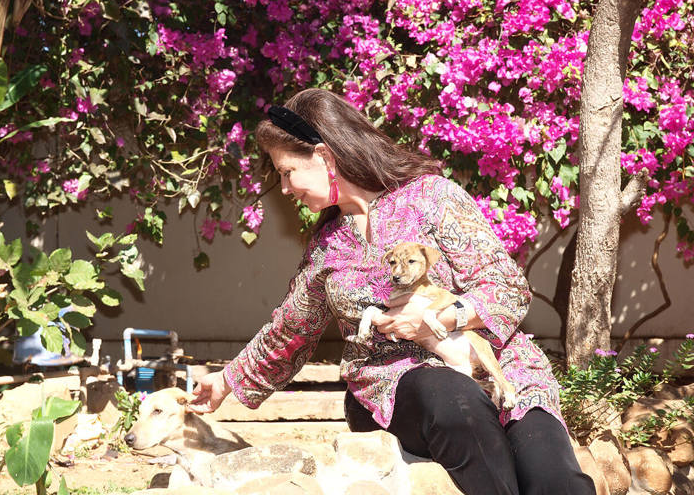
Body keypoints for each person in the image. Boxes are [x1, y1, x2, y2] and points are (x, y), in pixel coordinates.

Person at [189, 88, 595, 495]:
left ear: (325, 157)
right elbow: (290, 330)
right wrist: (225, 381)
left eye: (286, 171)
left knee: (556, 481)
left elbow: (506, 286)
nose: (284, 187)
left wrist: (439, 319)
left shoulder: (432, 197)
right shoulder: (326, 247)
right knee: (455, 404)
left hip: (500, 367)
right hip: (395, 385)